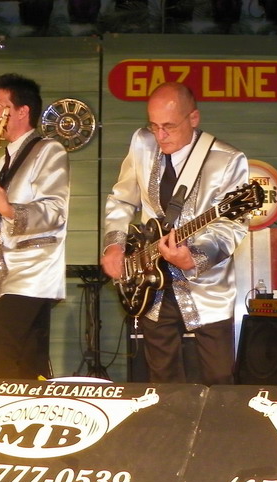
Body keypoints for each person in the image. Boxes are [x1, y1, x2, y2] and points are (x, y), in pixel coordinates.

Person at [101, 82, 249, 385]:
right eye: (153, 126)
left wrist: (194, 257)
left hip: (207, 287)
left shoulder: (227, 160)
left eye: (168, 126)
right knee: (162, 377)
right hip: (150, 283)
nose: (160, 135)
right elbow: (122, 199)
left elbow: (231, 225)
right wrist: (114, 245)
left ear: (193, 118)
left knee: (219, 378)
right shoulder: (142, 143)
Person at [0, 74, 70, 379]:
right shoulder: (2, 161)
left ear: (23, 111)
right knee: (26, 360)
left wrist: (7, 207)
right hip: (5, 274)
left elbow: (54, 211)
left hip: (33, 272)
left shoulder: (49, 150)